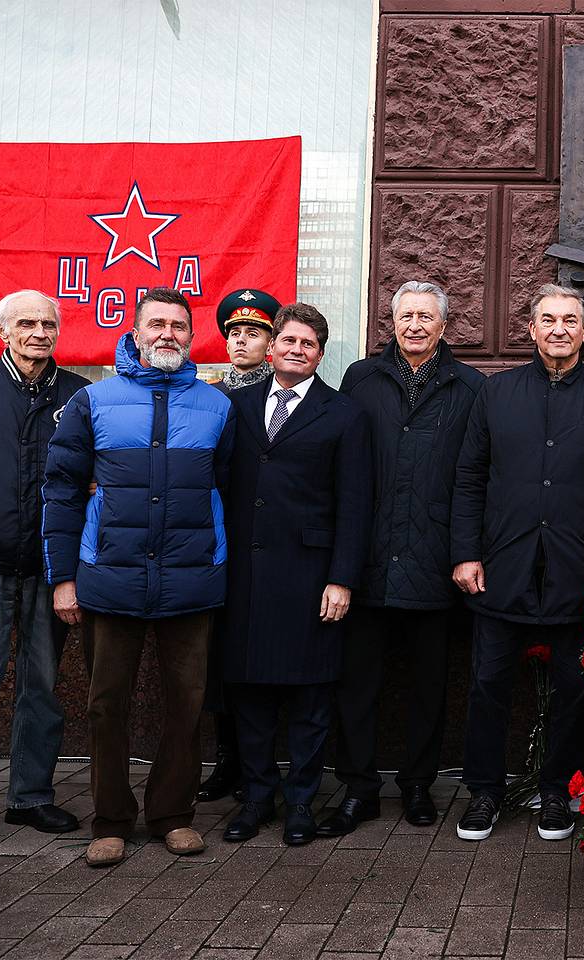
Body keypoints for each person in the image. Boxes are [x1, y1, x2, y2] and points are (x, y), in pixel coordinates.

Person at [43, 287, 234, 868]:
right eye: (158, 324)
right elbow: (61, 490)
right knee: (106, 704)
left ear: (190, 334)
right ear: (136, 329)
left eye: (179, 325)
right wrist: (64, 578)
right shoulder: (93, 401)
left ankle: (173, 815)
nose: (168, 335)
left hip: (190, 579)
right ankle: (111, 820)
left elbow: (226, 487)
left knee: (187, 703)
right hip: (111, 578)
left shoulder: (216, 406)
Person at [451, 283, 584, 842]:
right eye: (548, 320)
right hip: (501, 566)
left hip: (579, 571)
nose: (559, 329)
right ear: (531, 329)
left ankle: (559, 791)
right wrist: (465, 552)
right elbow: (468, 478)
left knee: (574, 687)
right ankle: (484, 792)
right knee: (488, 682)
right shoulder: (497, 392)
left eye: (570, 320)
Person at [318, 281, 483, 837]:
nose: (414, 325)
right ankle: (358, 787)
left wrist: (465, 552)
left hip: (435, 560)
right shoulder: (361, 379)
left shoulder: (469, 386)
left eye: (425, 316)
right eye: (405, 315)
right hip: (366, 558)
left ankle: (417, 784)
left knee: (428, 685)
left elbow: (473, 478)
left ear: (443, 325)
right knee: (357, 681)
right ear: (392, 322)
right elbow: (343, 468)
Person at [220, 303, 371, 846]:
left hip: (311, 578)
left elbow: (356, 504)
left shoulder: (345, 414)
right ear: (271, 345)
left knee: (310, 700)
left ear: (320, 354)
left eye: (307, 343)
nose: (295, 349)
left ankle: (302, 802)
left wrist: (342, 578)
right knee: (251, 696)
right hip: (246, 576)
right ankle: (257, 799)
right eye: (287, 340)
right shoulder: (234, 407)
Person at [0, 291, 88, 845]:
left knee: (41, 686)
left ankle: (30, 796)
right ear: (2, 332)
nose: (39, 332)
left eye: (48, 323)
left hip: (49, 566)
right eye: (26, 323)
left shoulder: (79, 395)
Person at [198, 287, 281, 806]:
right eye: (234, 332)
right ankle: (227, 757)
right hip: (214, 537)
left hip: (268, 544)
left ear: (271, 342)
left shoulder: (281, 394)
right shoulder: (208, 394)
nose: (242, 341)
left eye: (253, 332)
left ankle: (262, 762)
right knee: (218, 658)